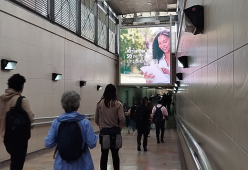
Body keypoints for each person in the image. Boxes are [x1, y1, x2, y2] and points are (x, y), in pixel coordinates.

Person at [45, 91, 97, 170]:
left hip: (61, 165)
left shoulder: (57, 122)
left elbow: (48, 143)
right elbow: (92, 143)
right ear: (78, 105)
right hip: (82, 165)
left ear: (63, 105)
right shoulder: (84, 122)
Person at [0, 74, 34, 170]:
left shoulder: (1, 99)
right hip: (19, 136)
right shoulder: (22, 100)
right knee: (18, 163)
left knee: (14, 160)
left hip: (5, 135)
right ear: (21, 86)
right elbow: (30, 118)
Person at [95, 84, 125, 170]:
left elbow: (96, 119)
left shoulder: (100, 104)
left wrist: (101, 126)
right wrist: (120, 127)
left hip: (104, 131)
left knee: (104, 155)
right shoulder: (118, 104)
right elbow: (122, 118)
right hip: (115, 131)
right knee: (115, 155)